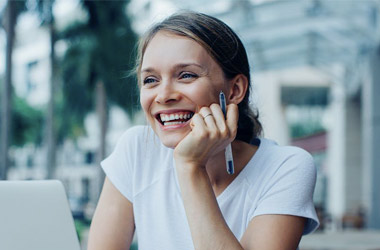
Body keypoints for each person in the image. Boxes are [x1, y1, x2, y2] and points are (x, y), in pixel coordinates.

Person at [87, 11, 319, 250]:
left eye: (186, 75)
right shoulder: (137, 149)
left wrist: (190, 167)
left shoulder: (287, 167)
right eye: (151, 80)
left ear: (234, 90)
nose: (164, 95)